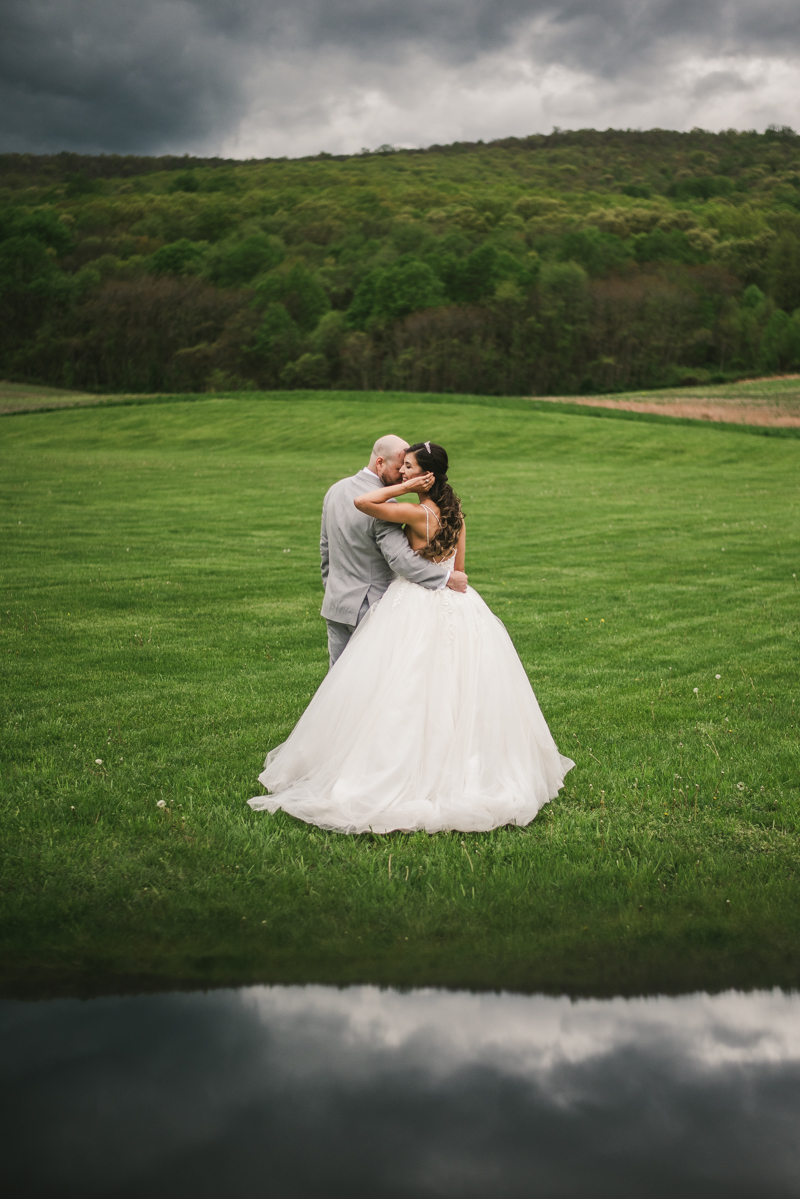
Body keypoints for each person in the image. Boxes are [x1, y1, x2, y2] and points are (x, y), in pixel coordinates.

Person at [249, 441, 574, 834]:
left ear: (426, 475)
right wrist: (419, 497)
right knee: (452, 687)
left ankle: (385, 767)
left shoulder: (413, 513)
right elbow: (459, 570)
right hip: (458, 603)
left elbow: (366, 503)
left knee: (396, 687)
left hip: (413, 601)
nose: (403, 473)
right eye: (401, 467)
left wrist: (404, 489)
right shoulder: (456, 516)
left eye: (410, 468)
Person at [319, 434, 468, 668]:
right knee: (372, 681)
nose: (402, 476)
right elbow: (400, 559)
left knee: (338, 685)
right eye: (400, 468)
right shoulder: (385, 504)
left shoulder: (335, 490)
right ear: (380, 463)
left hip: (335, 603)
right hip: (369, 606)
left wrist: (331, 588)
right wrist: (447, 578)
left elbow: (325, 551)